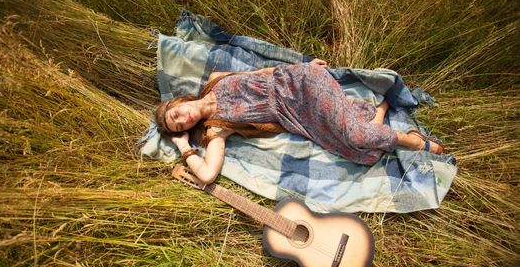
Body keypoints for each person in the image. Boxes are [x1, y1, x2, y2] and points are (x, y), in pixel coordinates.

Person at [155, 59, 444, 184]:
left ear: (179, 101)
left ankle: (412, 140)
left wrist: (302, 67)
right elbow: (206, 176)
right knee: (364, 154)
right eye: (180, 126)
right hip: (297, 115)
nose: (184, 120)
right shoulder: (216, 127)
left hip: (301, 81)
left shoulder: (216, 80)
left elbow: (263, 72)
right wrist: (184, 147)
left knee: (356, 136)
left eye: (177, 115)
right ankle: (378, 114)